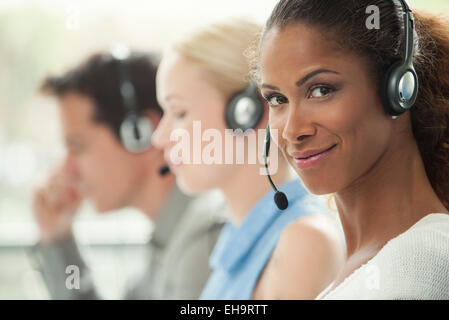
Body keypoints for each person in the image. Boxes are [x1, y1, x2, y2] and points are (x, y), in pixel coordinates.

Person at [257, 0, 449, 299]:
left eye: (321, 90)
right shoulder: (370, 270)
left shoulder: (418, 268)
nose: (293, 131)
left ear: (398, 90)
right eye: (277, 99)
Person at [151, 18, 345, 300]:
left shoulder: (304, 243)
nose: (159, 137)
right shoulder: (236, 239)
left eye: (179, 113)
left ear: (249, 111)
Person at [30, 50, 226, 299]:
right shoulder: (165, 244)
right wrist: (59, 240)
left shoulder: (202, 246)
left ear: (141, 135)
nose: (66, 170)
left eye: (77, 146)